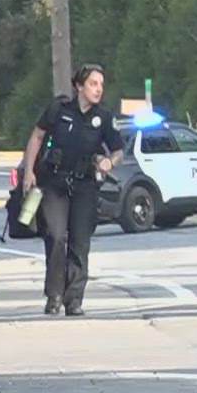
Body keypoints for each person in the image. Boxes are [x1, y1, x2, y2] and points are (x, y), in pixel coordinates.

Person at [20, 64, 124, 316]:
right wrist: (28, 171)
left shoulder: (105, 118)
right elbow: (36, 136)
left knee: (80, 241)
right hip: (54, 182)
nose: (98, 89)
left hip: (85, 185)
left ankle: (74, 298)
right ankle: (54, 294)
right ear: (79, 86)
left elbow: (119, 150)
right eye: (93, 84)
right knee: (56, 236)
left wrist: (109, 162)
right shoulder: (59, 109)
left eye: (101, 84)